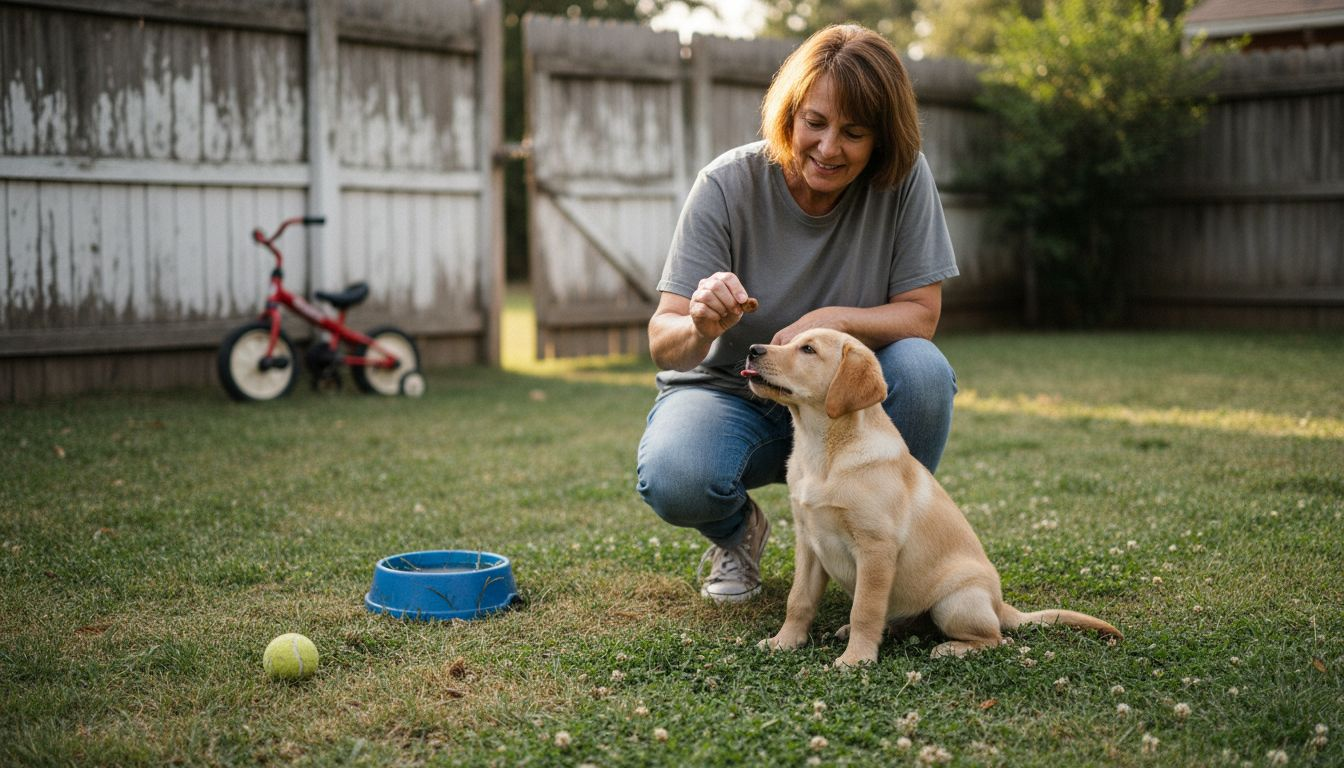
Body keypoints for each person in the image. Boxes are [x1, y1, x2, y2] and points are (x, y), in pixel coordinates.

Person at [635, 24, 959, 603]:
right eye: (815, 123)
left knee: (924, 370)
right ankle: (738, 535)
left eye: (854, 133)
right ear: (790, 115)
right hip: (729, 394)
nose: (829, 148)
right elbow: (665, 340)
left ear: (882, 140)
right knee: (676, 475)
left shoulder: (905, 180)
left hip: (836, 401)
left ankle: (879, 540)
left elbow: (921, 315)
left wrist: (827, 319)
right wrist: (702, 325)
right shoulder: (726, 184)